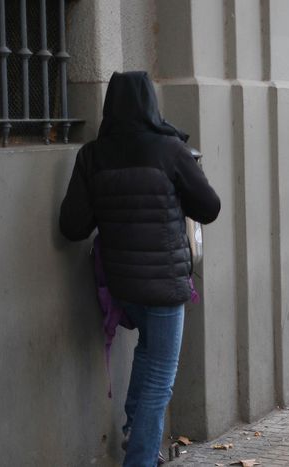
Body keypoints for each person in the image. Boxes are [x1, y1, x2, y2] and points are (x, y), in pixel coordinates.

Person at [59, 71, 222, 466]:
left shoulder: (92, 155)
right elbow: (210, 207)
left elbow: (72, 226)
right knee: (160, 381)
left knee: (148, 356)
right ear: (150, 103)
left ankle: (134, 433)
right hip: (164, 287)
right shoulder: (169, 151)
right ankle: (141, 459)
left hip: (121, 286)